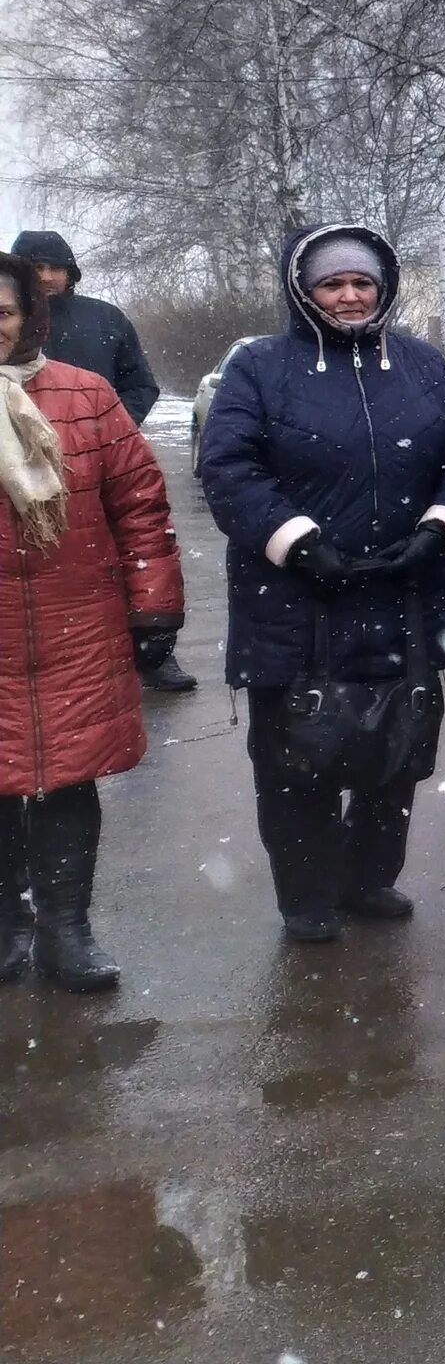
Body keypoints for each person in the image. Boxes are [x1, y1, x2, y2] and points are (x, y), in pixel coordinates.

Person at [197, 226, 445, 942]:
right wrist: (297, 542)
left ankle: (368, 878)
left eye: (363, 283)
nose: (350, 296)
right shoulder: (261, 368)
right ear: (305, 290)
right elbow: (228, 469)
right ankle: (307, 893)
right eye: (333, 283)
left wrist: (441, 525)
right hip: (298, 599)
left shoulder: (422, 365)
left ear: (382, 288)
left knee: (397, 746)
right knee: (299, 755)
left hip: (402, 588)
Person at [0, 251, 182, 991]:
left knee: (66, 783)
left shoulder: (86, 396)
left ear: (28, 318)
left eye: (2, 312)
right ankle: (7, 927)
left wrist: (154, 608)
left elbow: (139, 508)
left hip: (76, 626)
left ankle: (66, 930)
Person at [8, 229, 193, 694]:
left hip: (99, 464)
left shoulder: (104, 319)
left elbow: (140, 383)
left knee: (130, 552)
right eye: (36, 268)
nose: (47, 277)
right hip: (17, 464)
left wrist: (107, 429)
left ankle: (154, 653)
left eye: (56, 267)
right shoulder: (14, 319)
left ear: (71, 271)